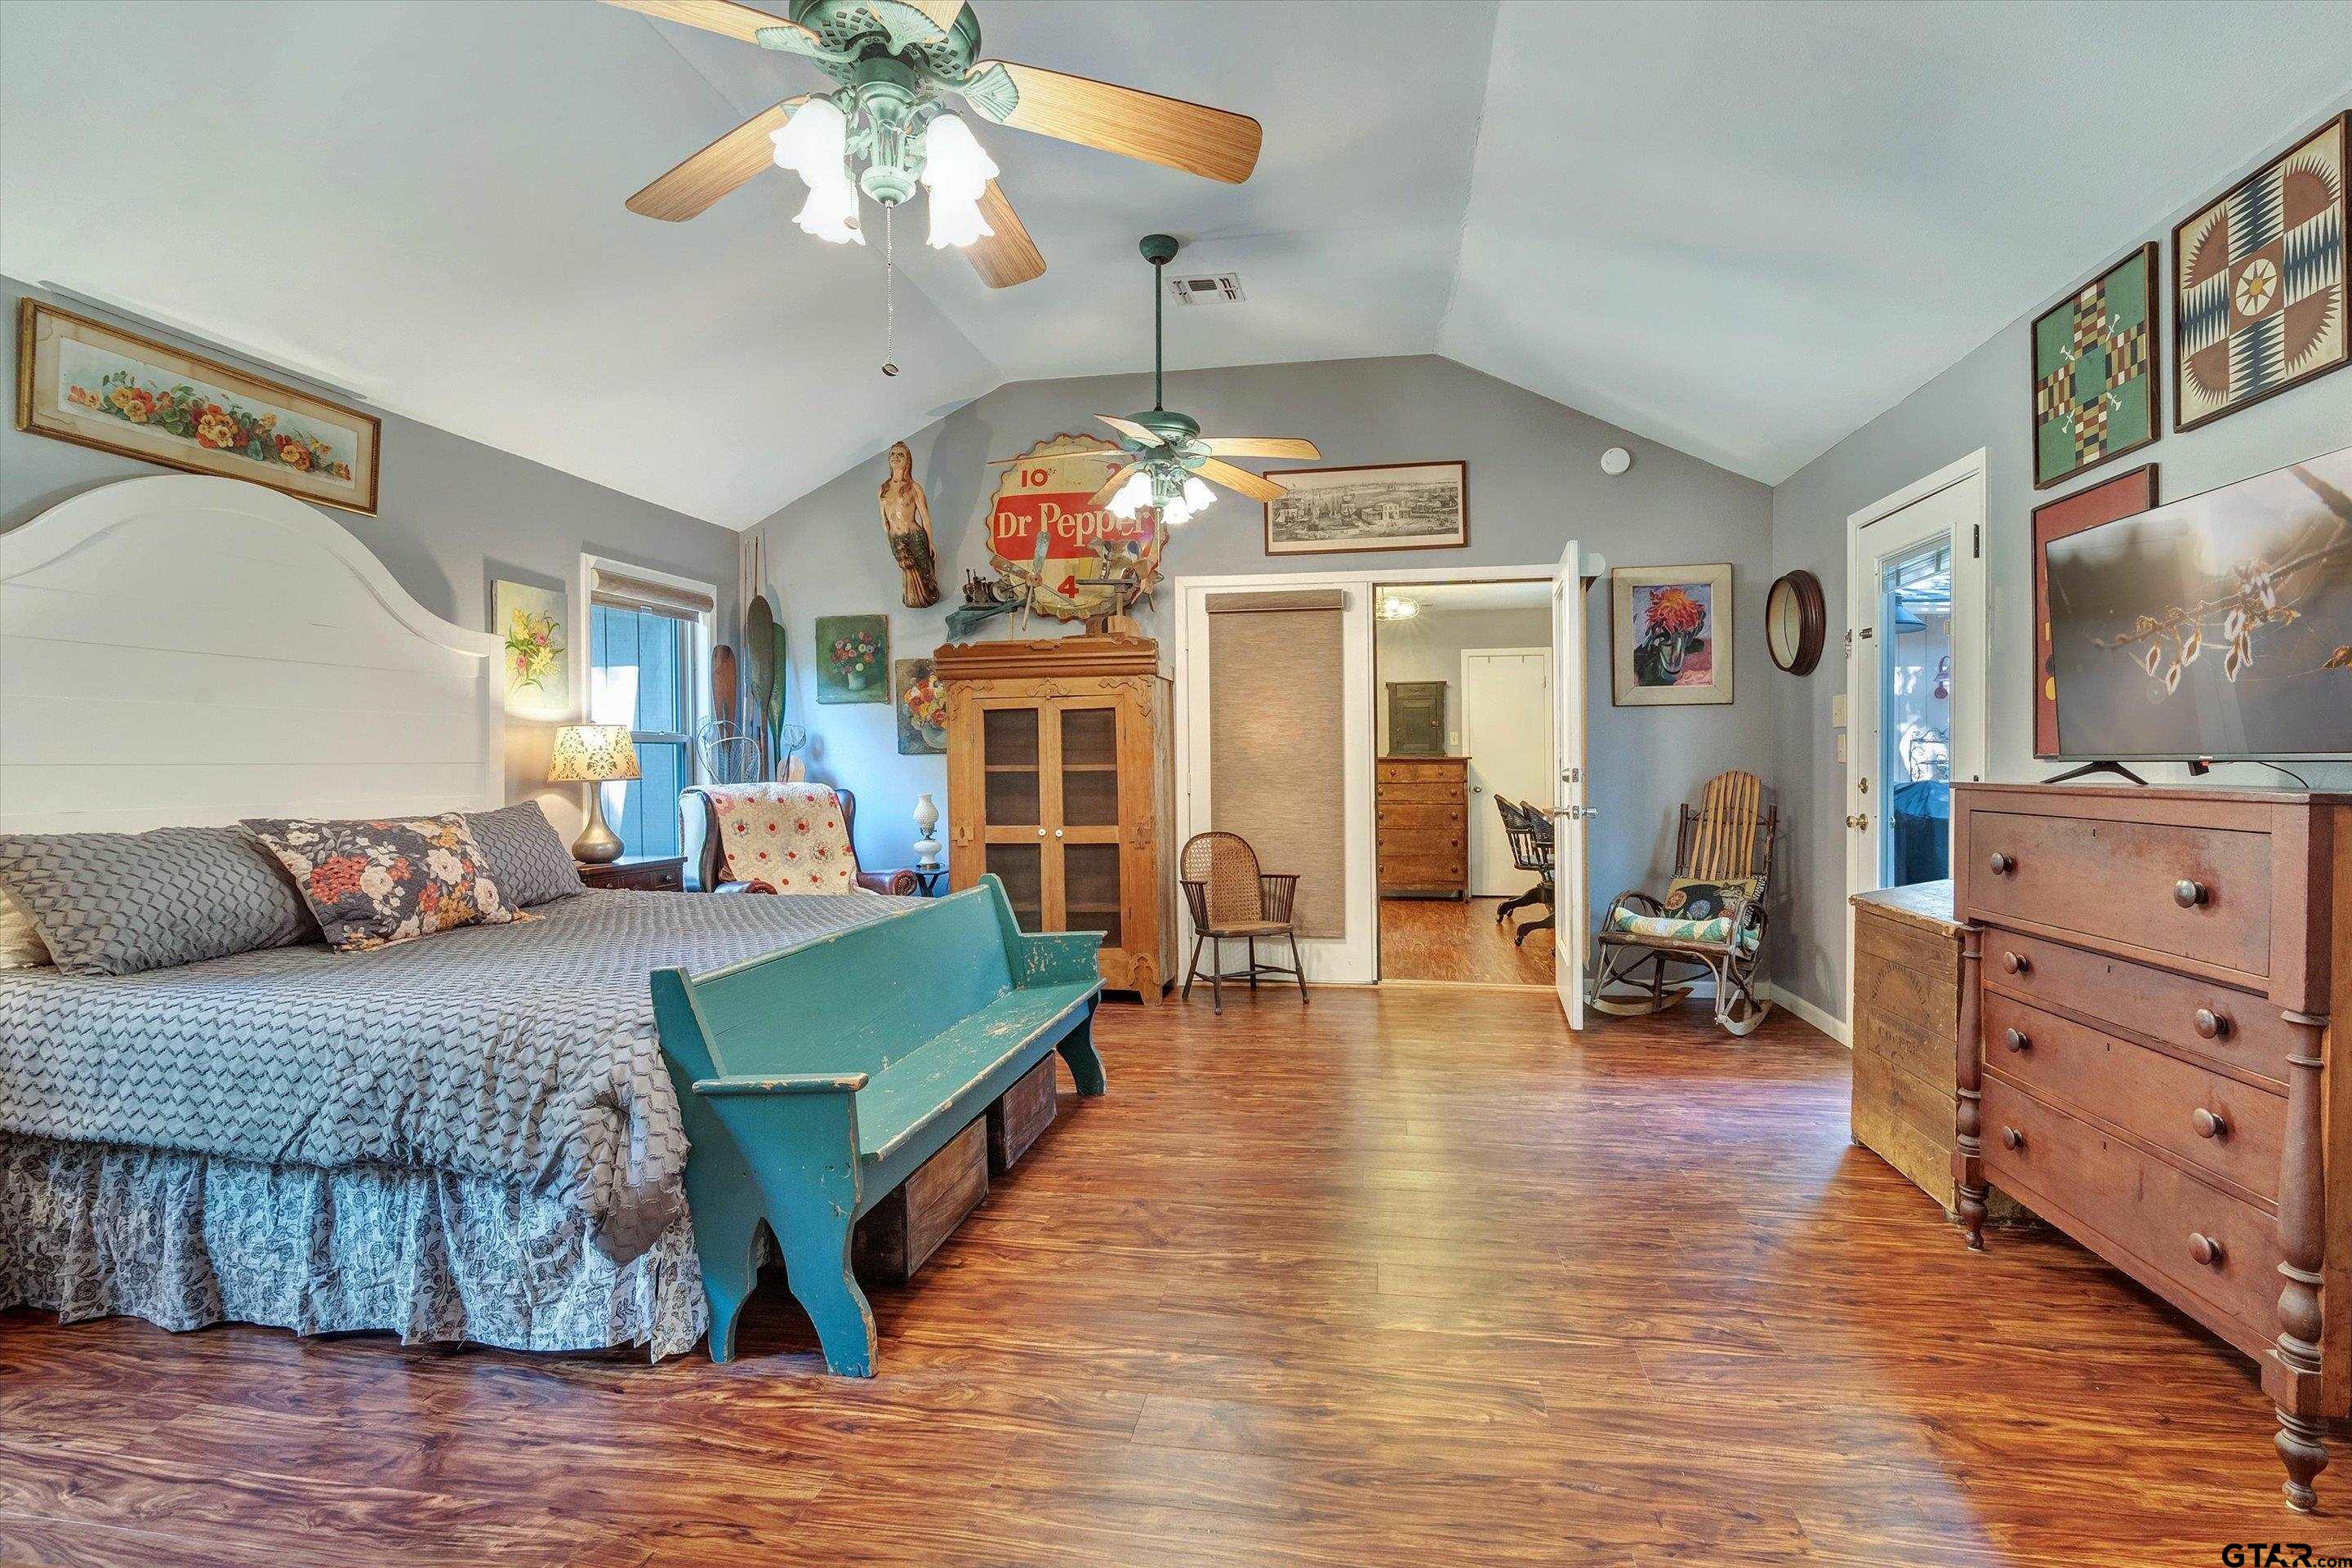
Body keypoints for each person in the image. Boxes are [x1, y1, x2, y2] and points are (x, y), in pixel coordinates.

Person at [877, 441, 938, 608]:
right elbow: (883, 515)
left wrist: (931, 542)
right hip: (895, 538)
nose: (895, 457)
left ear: (907, 461)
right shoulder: (883, 488)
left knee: (922, 569)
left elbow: (925, 517)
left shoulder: (914, 487)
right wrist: (888, 531)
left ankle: (927, 594)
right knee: (906, 569)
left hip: (913, 535)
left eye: (900, 455)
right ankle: (911, 596)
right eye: (892, 454)